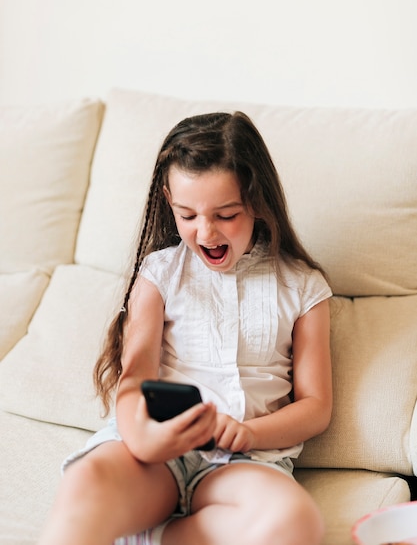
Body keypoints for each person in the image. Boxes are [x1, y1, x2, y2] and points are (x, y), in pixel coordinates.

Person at [38, 111, 332, 545]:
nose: (206, 231)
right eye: (187, 215)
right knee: (87, 481)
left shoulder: (304, 287)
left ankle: (154, 536)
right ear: (168, 201)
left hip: (247, 463)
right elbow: (134, 376)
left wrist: (249, 432)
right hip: (157, 456)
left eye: (226, 214)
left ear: (256, 201)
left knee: (294, 522)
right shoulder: (160, 274)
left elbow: (316, 406)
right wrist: (145, 440)